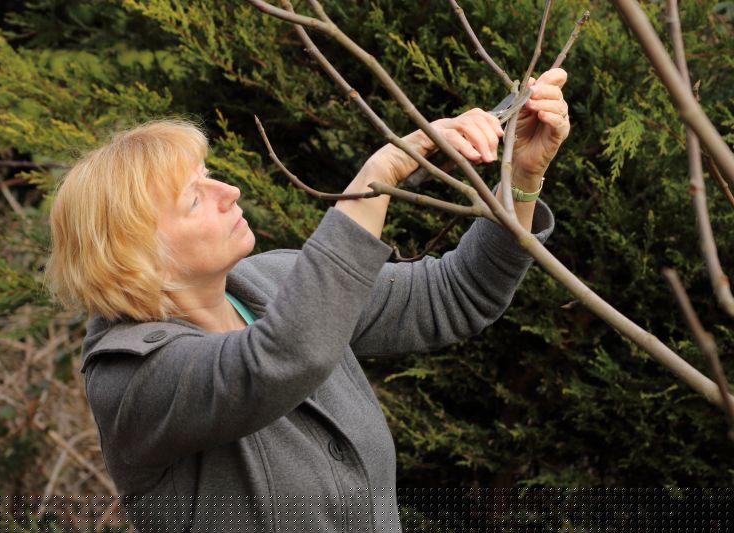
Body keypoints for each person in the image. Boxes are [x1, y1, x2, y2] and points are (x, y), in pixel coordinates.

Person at [46, 68, 569, 532]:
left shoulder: (274, 282)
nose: (229, 190)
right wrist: (375, 179)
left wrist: (520, 178)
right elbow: (284, 358)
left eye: (209, 175)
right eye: (195, 197)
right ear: (137, 254)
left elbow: (457, 295)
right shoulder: (131, 377)